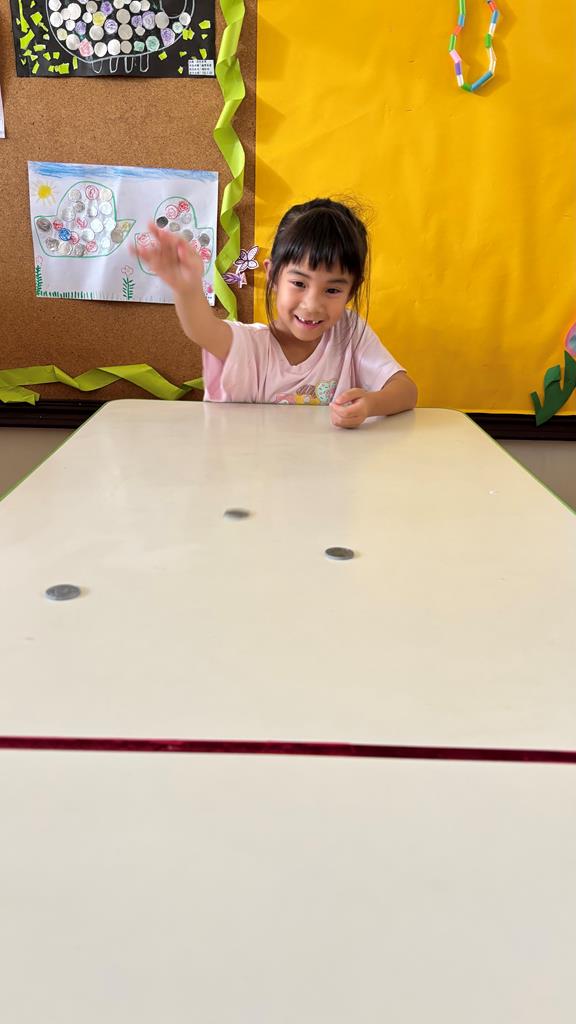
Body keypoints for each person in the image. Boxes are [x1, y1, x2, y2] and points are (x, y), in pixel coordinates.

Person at [137, 198, 418, 428]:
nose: (312, 304)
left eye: (332, 290)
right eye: (299, 284)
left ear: (352, 291)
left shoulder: (349, 333)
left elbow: (406, 390)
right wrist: (187, 290)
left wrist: (370, 404)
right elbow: (202, 329)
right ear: (272, 275)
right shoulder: (252, 346)